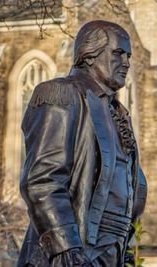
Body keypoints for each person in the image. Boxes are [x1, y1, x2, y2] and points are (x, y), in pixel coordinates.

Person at [16, 20, 147, 267]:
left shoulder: (119, 114)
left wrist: (125, 248)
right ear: (89, 55)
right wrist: (67, 249)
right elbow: (43, 180)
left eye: (128, 55)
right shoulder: (62, 93)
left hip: (112, 252)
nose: (127, 62)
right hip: (74, 252)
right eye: (118, 53)